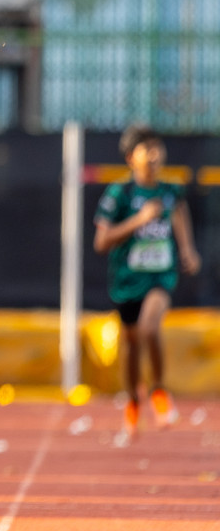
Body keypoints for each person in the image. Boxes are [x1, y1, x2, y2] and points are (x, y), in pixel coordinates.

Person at [93, 125, 200, 443]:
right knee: (131, 345)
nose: (155, 155)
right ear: (131, 158)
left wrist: (187, 249)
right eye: (146, 149)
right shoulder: (119, 194)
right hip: (127, 280)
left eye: (158, 148)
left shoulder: (170, 191)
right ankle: (132, 403)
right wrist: (139, 220)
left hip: (159, 276)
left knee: (150, 329)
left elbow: (179, 214)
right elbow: (101, 241)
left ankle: (159, 389)